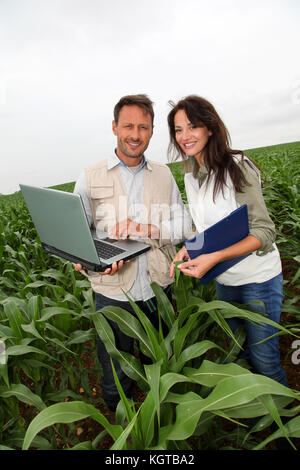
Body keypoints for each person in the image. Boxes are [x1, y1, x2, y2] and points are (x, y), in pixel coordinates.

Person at [74, 94, 191, 411]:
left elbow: (184, 224)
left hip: (158, 288)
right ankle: (120, 422)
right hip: (112, 292)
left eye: (143, 127)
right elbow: (77, 236)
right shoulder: (89, 176)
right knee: (115, 372)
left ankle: (164, 414)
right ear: (114, 127)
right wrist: (89, 264)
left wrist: (149, 230)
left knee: (162, 360)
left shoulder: (164, 174)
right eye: (128, 126)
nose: (135, 135)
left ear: (152, 131)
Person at [168, 95, 288, 387]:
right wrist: (189, 248)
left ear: (209, 128)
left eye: (192, 126)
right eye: (178, 129)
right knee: (241, 353)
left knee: (265, 360)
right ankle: (255, 417)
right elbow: (209, 229)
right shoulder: (191, 175)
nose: (185, 136)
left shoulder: (237, 167)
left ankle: (285, 425)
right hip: (226, 281)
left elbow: (264, 231)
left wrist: (215, 257)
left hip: (258, 279)